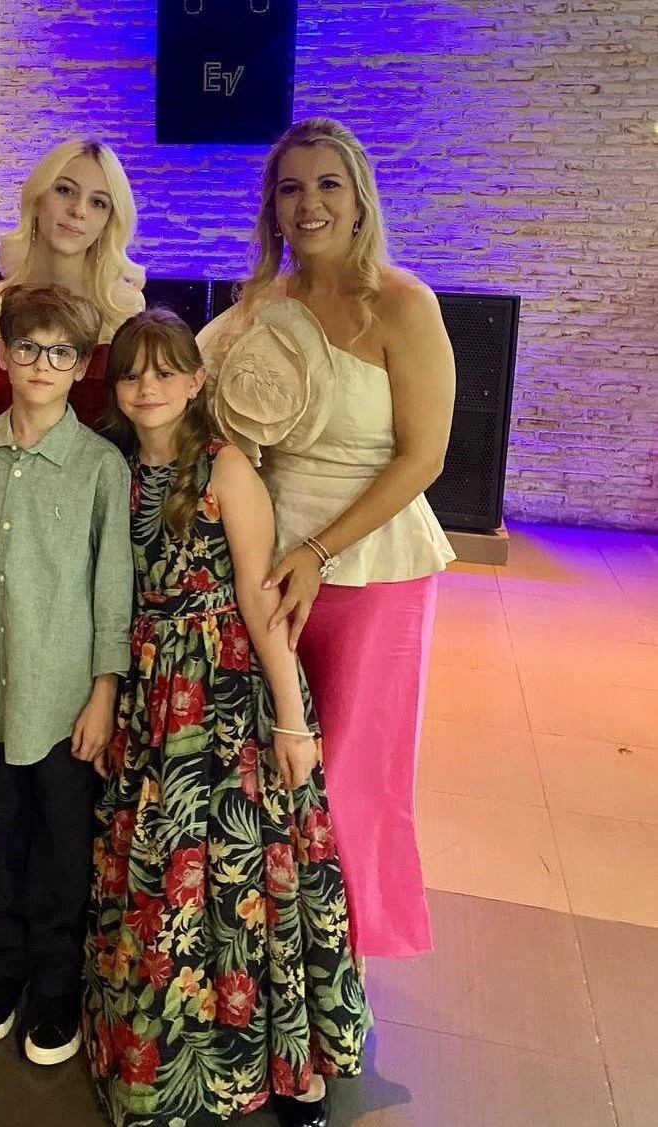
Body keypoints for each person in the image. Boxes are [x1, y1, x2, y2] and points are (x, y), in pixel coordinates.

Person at [84, 309, 367, 1127]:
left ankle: (291, 1068)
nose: (148, 386)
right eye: (132, 372)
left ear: (196, 379)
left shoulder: (225, 466)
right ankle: (170, 1065)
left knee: (250, 871)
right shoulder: (108, 467)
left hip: (229, 690)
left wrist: (292, 719)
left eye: (165, 370)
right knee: (162, 872)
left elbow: (258, 594)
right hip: (149, 694)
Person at [198, 117, 456, 960]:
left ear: (359, 199)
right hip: (265, 561)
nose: (309, 202)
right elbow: (190, 393)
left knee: (349, 771)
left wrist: (319, 552)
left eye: (327, 184)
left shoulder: (405, 305)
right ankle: (273, 955)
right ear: (272, 207)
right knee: (270, 765)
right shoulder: (259, 307)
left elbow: (424, 457)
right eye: (290, 187)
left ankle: (342, 962)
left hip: (371, 568)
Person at [0, 284, 133, 1065]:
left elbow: (111, 586)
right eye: (26, 347)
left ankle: (54, 980)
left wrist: (104, 690)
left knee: (60, 839)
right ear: (4, 356)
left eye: (60, 351)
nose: (41, 363)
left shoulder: (100, 466)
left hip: (61, 693)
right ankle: (3, 966)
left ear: (81, 366)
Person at [0, 139, 145, 427]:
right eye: (65, 190)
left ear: (108, 222)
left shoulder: (125, 309)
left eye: (98, 202)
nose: (78, 210)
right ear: (38, 198)